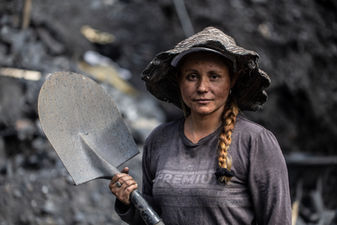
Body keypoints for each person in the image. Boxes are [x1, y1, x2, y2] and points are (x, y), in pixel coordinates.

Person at [109, 26, 292, 225]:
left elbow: (278, 219)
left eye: (214, 76)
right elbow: (153, 217)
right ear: (178, 80)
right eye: (192, 76)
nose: (202, 88)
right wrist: (129, 201)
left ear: (232, 80)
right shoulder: (160, 140)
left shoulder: (255, 142)